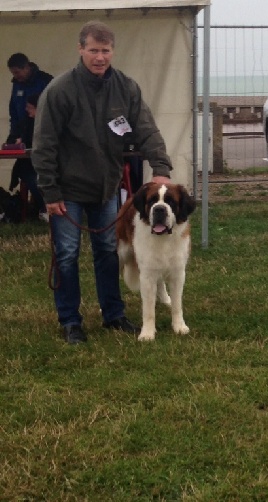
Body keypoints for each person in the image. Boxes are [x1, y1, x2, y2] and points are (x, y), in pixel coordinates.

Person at [32, 20, 173, 345]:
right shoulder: (59, 90)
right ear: (81, 49)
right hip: (66, 192)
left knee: (108, 251)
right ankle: (70, 321)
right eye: (93, 50)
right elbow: (44, 145)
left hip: (106, 189)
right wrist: (50, 192)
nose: (99, 57)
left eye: (105, 50)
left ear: (112, 51)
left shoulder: (125, 88)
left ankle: (113, 315)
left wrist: (161, 167)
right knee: (66, 255)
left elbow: (146, 129)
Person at [5, 93, 48, 222]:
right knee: (34, 180)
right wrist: (16, 141)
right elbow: (10, 140)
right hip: (26, 164)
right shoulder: (25, 122)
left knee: (47, 177)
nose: (27, 110)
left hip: (46, 163)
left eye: (30, 107)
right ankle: (45, 209)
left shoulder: (48, 123)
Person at [6, 53, 53, 143]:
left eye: (17, 72)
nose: (15, 76)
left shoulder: (45, 80)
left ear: (26, 67)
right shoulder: (17, 84)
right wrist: (14, 133)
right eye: (12, 73)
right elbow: (13, 111)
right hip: (22, 132)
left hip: (41, 132)